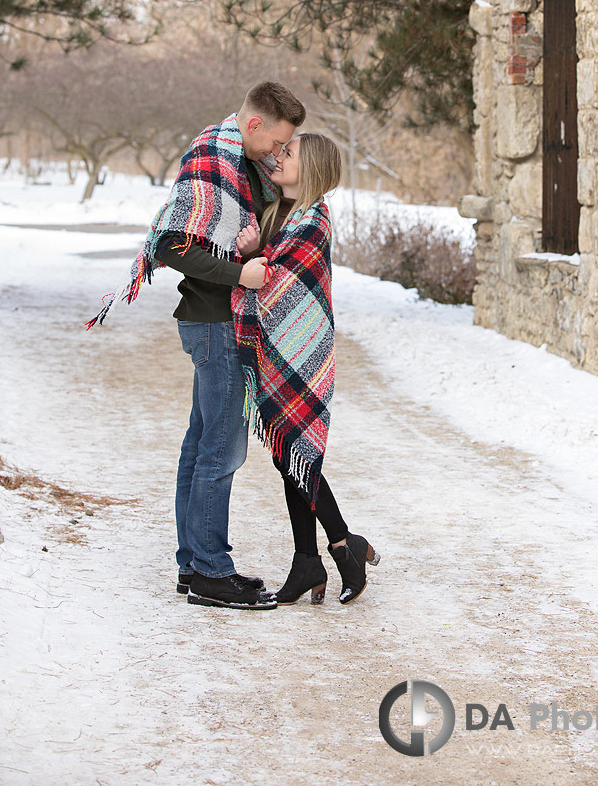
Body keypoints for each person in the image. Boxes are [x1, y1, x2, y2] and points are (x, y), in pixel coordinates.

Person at [88, 81, 306, 611]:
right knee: (222, 450)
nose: (278, 152)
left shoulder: (240, 160)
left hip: (216, 322)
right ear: (254, 125)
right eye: (276, 142)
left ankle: (193, 563)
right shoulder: (214, 155)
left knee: (201, 442)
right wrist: (240, 274)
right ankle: (211, 570)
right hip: (215, 322)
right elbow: (171, 244)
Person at [234, 133, 380, 606]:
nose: (278, 157)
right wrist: (256, 248)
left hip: (301, 354)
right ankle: (312, 559)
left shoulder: (312, 221)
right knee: (288, 454)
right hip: (278, 354)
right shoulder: (282, 215)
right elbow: (264, 270)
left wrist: (253, 257)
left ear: (310, 167)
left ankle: (338, 547)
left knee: (296, 454)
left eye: (289, 152)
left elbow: (271, 279)